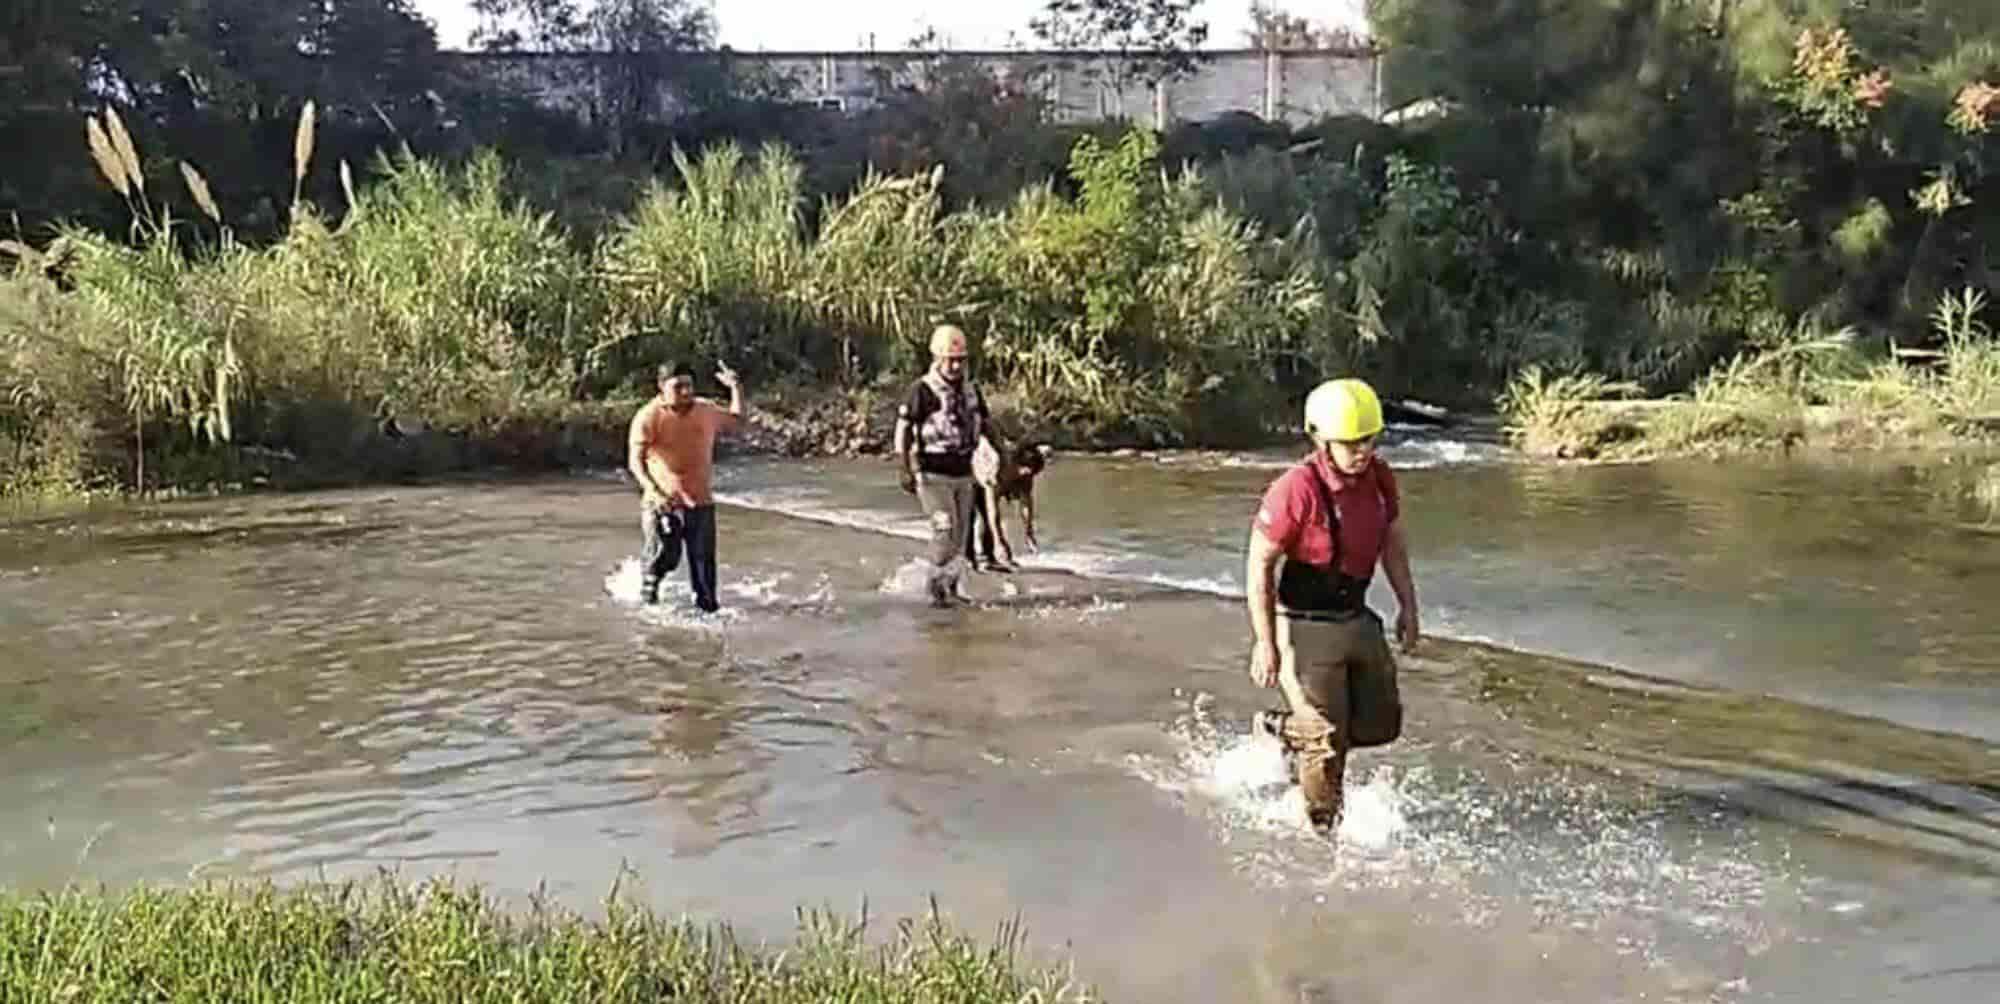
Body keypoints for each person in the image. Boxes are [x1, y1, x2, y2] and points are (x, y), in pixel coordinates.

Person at [1243, 377, 1420, 834]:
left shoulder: (1380, 480)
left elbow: (1393, 545)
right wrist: (1266, 643)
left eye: (1369, 440)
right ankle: (1323, 835)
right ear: (1320, 438)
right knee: (1325, 743)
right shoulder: (1295, 489)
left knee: (1383, 724)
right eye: (1350, 443)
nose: (1361, 451)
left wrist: (1409, 606)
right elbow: (1259, 564)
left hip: (1354, 616)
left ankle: (1284, 729)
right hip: (1301, 623)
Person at [894, 324, 997, 607]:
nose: (954, 366)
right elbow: (902, 429)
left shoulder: (972, 390)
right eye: (949, 360)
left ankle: (950, 591)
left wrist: (1003, 454)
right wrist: (903, 466)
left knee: (961, 539)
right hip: (932, 475)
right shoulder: (922, 390)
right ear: (937, 359)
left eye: (960, 360)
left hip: (964, 474)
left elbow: (986, 424)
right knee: (944, 530)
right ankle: (933, 588)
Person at [627, 361, 743, 612]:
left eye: (689, 386)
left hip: (700, 501)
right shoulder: (649, 416)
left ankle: (709, 617)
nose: (685, 392)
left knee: (704, 568)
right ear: (661, 388)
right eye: (678, 387)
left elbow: (736, 420)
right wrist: (655, 493)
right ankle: (649, 595)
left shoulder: (705, 410)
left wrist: (735, 388)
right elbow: (635, 462)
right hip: (663, 502)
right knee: (666, 557)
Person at [966, 440, 1052, 571]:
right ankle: (971, 558)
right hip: (974, 475)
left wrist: (1029, 533)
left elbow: (1026, 504)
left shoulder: (1028, 473)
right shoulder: (996, 466)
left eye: (1030, 472)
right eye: (1022, 470)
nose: (1024, 474)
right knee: (973, 516)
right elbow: (992, 511)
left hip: (994, 477)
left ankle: (992, 558)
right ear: (1014, 463)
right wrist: (998, 541)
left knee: (991, 525)